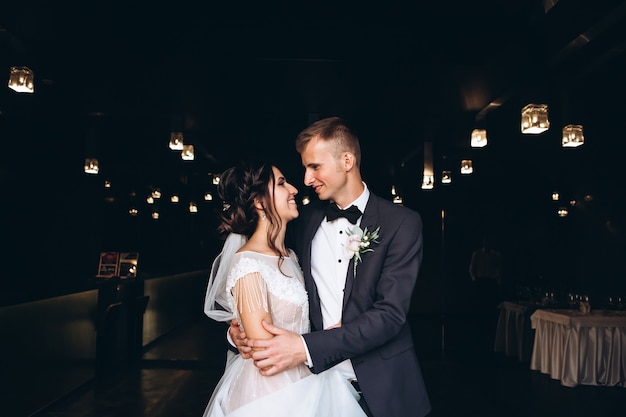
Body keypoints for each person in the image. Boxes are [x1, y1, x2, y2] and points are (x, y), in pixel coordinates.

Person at [230, 117, 431, 417]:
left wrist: (307, 348)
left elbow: (390, 315)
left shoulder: (402, 223)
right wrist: (239, 330)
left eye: (314, 167)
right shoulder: (303, 223)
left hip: (385, 386)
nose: (307, 180)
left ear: (347, 160)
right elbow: (265, 274)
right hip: (314, 388)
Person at [202, 160, 367, 417]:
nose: (293, 189)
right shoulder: (247, 263)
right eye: (281, 184)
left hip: (306, 381)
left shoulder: (291, 254)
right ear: (259, 202)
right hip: (268, 396)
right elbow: (263, 347)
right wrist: (327, 340)